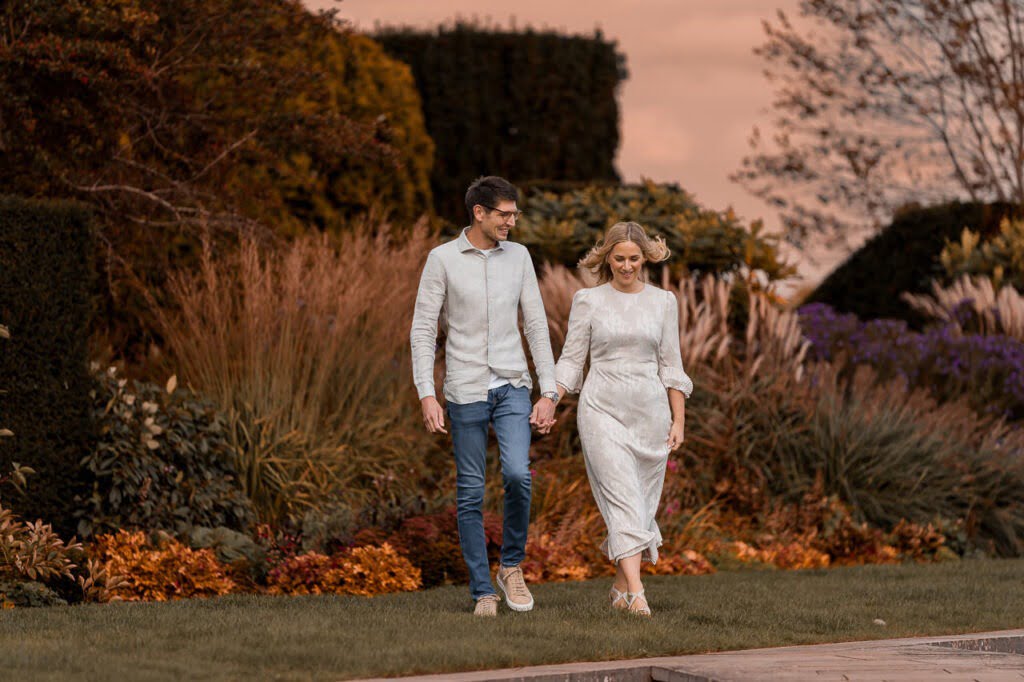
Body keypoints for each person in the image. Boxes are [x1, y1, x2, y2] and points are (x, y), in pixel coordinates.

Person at [410, 175, 559, 617]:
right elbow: (423, 329)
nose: (512, 221)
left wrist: (547, 391)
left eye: (514, 214)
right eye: (504, 214)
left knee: (517, 474)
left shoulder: (520, 257)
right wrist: (426, 394)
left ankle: (510, 565)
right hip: (465, 389)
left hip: (512, 384)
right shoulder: (442, 260)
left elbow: (535, 324)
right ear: (479, 212)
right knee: (471, 491)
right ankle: (482, 591)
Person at [547, 221, 692, 616]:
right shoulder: (588, 300)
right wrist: (550, 400)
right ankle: (638, 594)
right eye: (619, 259)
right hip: (601, 410)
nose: (626, 266)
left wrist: (678, 421)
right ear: (606, 258)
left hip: (650, 414)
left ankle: (618, 587)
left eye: (634, 259)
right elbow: (572, 361)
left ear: (645, 257)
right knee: (623, 497)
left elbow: (671, 366)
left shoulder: (664, 302)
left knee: (640, 504)